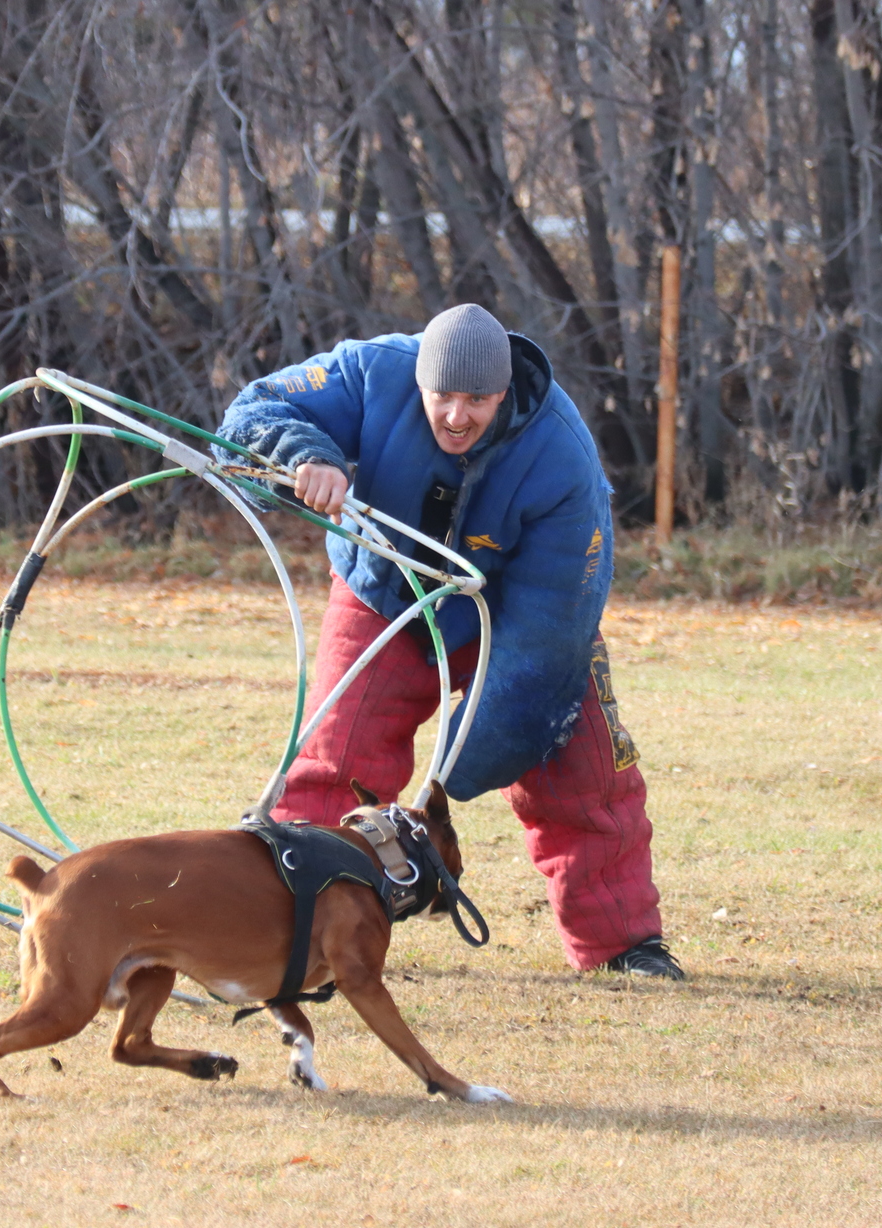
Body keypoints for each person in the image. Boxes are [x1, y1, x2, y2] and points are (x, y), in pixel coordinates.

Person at [219, 304, 682, 980]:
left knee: (582, 768)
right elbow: (250, 414)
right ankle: (283, 922)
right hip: (386, 595)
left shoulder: (563, 455)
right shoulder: (372, 369)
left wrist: (450, 776)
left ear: (505, 391)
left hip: (519, 616)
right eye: (443, 397)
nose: (457, 415)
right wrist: (304, 457)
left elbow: (552, 629)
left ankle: (622, 946)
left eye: (479, 399)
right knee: (336, 757)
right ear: (420, 381)